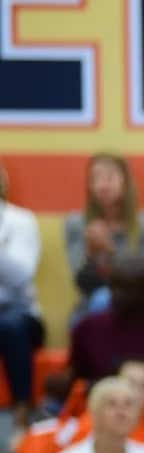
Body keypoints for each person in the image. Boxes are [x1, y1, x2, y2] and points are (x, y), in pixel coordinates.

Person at [68, 255, 144, 411]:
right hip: (97, 419)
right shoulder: (87, 328)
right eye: (113, 287)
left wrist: (133, 399)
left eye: (127, 289)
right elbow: (76, 383)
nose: (117, 296)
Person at [63, 153, 144, 325]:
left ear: (126, 183)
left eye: (109, 177)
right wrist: (89, 253)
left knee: (104, 299)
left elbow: (142, 280)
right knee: (98, 301)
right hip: (88, 306)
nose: (103, 185)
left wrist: (109, 249)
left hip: (135, 307)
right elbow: (78, 280)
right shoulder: (76, 224)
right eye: (96, 178)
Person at [0, 159, 43, 425]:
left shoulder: (21, 221)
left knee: (10, 324)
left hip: (20, 315)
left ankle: (22, 411)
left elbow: (22, 275)